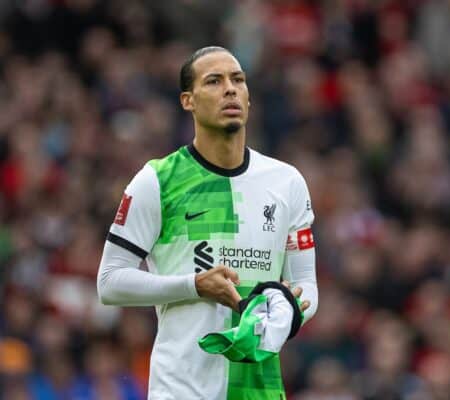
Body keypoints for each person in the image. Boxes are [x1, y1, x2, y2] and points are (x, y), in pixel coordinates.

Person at [96, 46, 318, 399]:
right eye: (214, 81)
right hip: (182, 388)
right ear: (188, 101)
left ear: (249, 98)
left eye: (238, 80)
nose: (230, 89)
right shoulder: (157, 180)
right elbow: (109, 283)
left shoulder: (286, 182)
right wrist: (195, 285)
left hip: (258, 389)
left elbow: (305, 284)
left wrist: (287, 312)